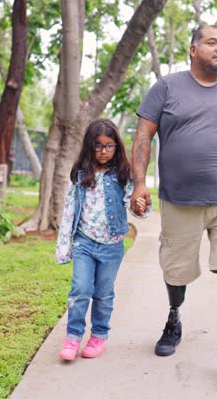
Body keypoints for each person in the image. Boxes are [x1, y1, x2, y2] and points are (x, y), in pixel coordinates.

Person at [130, 24, 217, 376]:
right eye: (212, 42)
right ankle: (174, 318)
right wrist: (139, 183)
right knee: (176, 270)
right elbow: (143, 136)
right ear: (193, 49)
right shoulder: (167, 88)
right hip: (180, 201)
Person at [55, 119, 148, 361]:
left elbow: (137, 203)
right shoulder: (81, 174)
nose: (104, 151)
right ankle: (73, 337)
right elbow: (69, 210)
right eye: (98, 146)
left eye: (109, 146)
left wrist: (139, 206)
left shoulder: (124, 174)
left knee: (103, 293)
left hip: (112, 246)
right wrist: (64, 245)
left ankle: (98, 336)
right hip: (84, 242)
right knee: (80, 290)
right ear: (89, 146)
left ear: (117, 147)